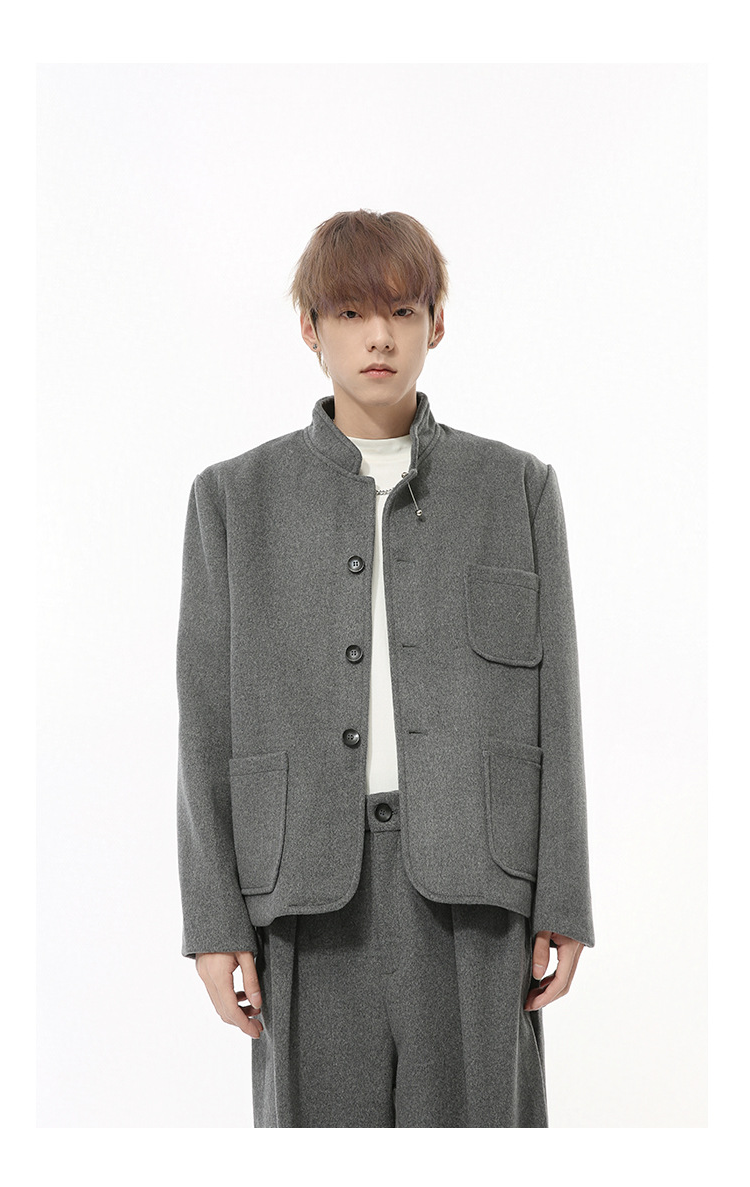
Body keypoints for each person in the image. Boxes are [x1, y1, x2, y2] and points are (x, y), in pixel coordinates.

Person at [176, 209, 594, 1128]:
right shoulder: (232, 501)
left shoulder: (516, 488)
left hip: (478, 889)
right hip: (304, 890)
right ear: (310, 328)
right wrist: (213, 920)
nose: (379, 337)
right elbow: (203, 721)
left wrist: (563, 894)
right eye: (352, 313)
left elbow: (557, 704)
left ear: (436, 324)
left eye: (403, 311)